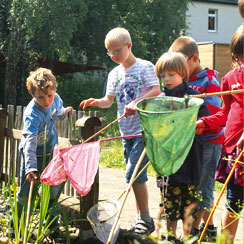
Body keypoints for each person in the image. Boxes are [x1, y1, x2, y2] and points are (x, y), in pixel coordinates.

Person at [80, 27, 161, 235]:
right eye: (110, 52)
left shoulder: (145, 67)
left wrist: (136, 102)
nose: (114, 56)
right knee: (135, 177)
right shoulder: (114, 73)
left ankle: (145, 219)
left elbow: (156, 90)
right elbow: (109, 101)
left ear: (129, 45)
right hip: (126, 133)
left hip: (144, 131)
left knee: (133, 174)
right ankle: (141, 219)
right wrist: (96, 102)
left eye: (117, 51)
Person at [169, 36, 224, 241]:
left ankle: (194, 231)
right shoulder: (183, 80)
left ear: (194, 58)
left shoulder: (209, 81)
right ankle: (208, 228)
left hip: (209, 140)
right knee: (195, 183)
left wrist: (200, 124)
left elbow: (217, 114)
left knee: (204, 185)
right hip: (192, 142)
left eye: (182, 61)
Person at [196, 24, 244, 243]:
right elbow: (223, 113)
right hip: (236, 152)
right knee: (234, 202)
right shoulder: (230, 79)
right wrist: (203, 123)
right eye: (240, 58)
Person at [154, 51, 209, 243]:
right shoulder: (160, 101)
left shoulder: (194, 99)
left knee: (188, 201)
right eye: (162, 76)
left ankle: (186, 237)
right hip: (169, 162)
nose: (166, 79)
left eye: (171, 75)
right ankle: (170, 236)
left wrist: (197, 124)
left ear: (183, 75)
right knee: (169, 200)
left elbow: (203, 122)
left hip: (190, 159)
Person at [17, 67, 73, 232]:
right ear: (33, 94)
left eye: (49, 95)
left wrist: (65, 112)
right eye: (41, 97)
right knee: (26, 192)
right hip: (32, 155)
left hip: (50, 154)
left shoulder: (55, 99)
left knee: (53, 190)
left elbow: (57, 112)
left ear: (55, 90)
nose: (46, 101)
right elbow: (29, 143)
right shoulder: (32, 115)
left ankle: (51, 224)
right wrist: (30, 168)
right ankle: (17, 225)